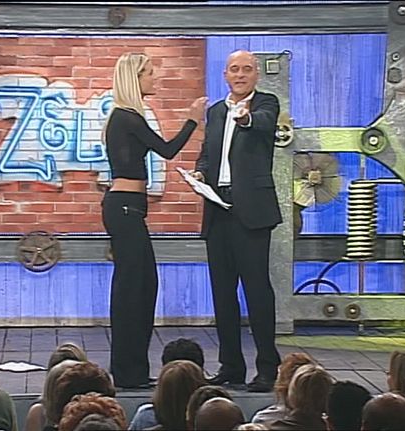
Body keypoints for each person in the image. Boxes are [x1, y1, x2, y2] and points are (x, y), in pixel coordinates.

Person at [102, 52, 207, 389]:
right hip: (124, 209)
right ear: (134, 79)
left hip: (129, 208)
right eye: (148, 73)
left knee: (142, 286)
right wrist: (192, 120)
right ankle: (127, 371)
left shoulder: (127, 117)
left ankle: (132, 368)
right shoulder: (126, 117)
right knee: (133, 289)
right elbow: (167, 149)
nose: (154, 78)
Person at [193, 49, 282, 392]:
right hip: (218, 209)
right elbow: (208, 151)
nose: (240, 75)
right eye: (234, 69)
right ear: (225, 75)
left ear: (256, 74)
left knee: (257, 291)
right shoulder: (216, 111)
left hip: (252, 211)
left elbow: (263, 124)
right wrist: (201, 172)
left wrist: (245, 119)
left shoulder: (266, 104)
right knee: (222, 293)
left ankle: (268, 368)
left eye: (246, 69)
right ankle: (231, 366)